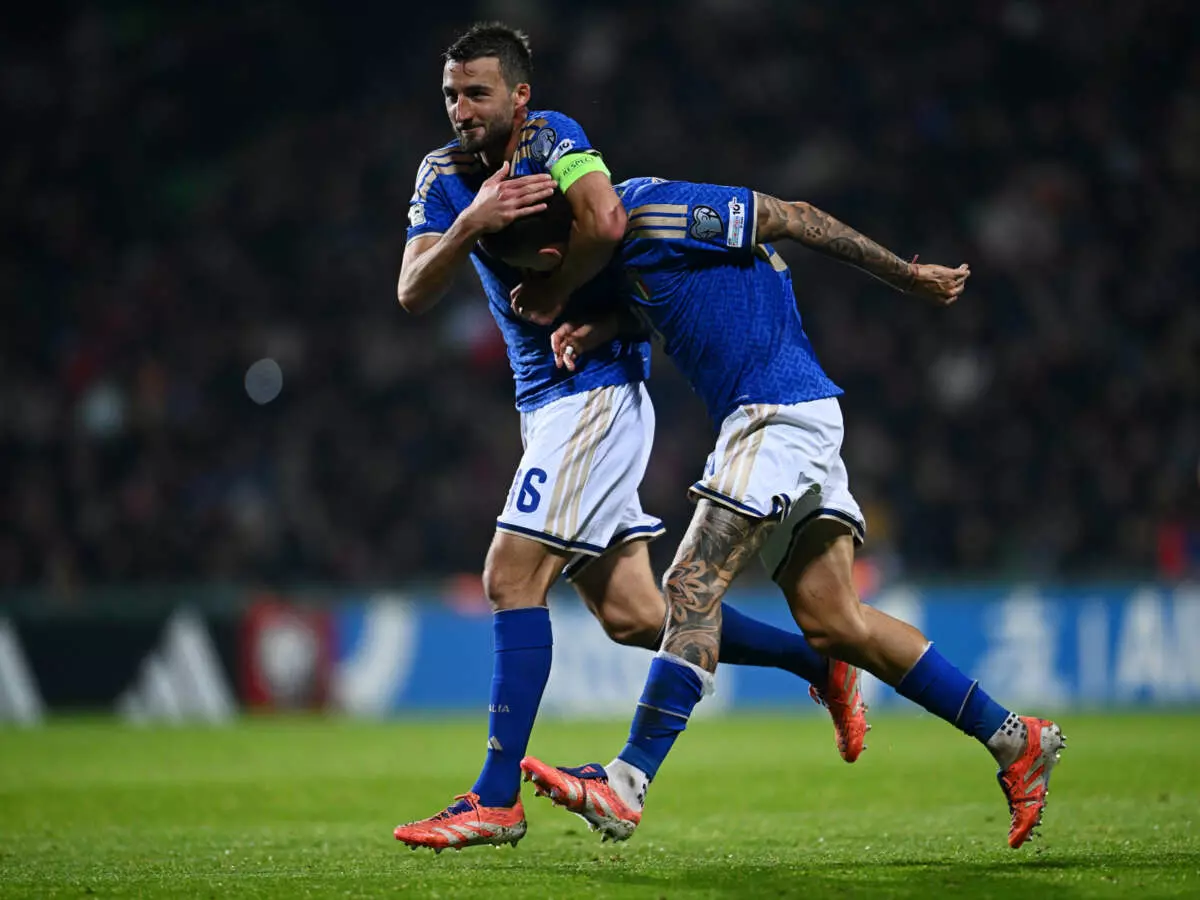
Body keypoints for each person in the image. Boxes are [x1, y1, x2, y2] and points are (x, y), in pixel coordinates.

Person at [392, 24, 868, 853]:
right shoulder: (443, 178)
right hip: (545, 404)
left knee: (509, 577)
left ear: (519, 97)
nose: (461, 110)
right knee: (633, 614)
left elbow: (609, 220)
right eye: (450, 95)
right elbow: (411, 289)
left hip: (594, 391)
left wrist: (561, 295)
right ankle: (817, 664)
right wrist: (471, 222)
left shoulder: (554, 140)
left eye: (477, 93)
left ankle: (495, 799)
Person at [491, 177, 1066, 850]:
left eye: (544, 263)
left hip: (776, 411)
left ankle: (626, 782)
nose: (546, 277)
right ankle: (1015, 739)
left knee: (691, 584)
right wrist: (604, 327)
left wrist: (906, 275)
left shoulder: (655, 211)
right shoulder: (620, 261)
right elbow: (683, 298)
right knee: (837, 623)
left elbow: (795, 216)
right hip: (787, 414)